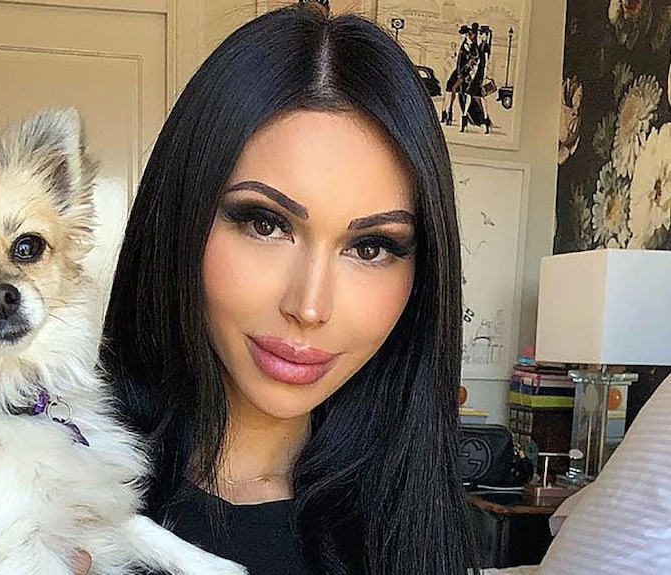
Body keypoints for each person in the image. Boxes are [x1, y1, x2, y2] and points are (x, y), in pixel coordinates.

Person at [98, 2, 479, 574]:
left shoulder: (416, 521)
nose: (308, 305)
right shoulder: (47, 489)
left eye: (370, 247)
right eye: (265, 223)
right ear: (181, 217)